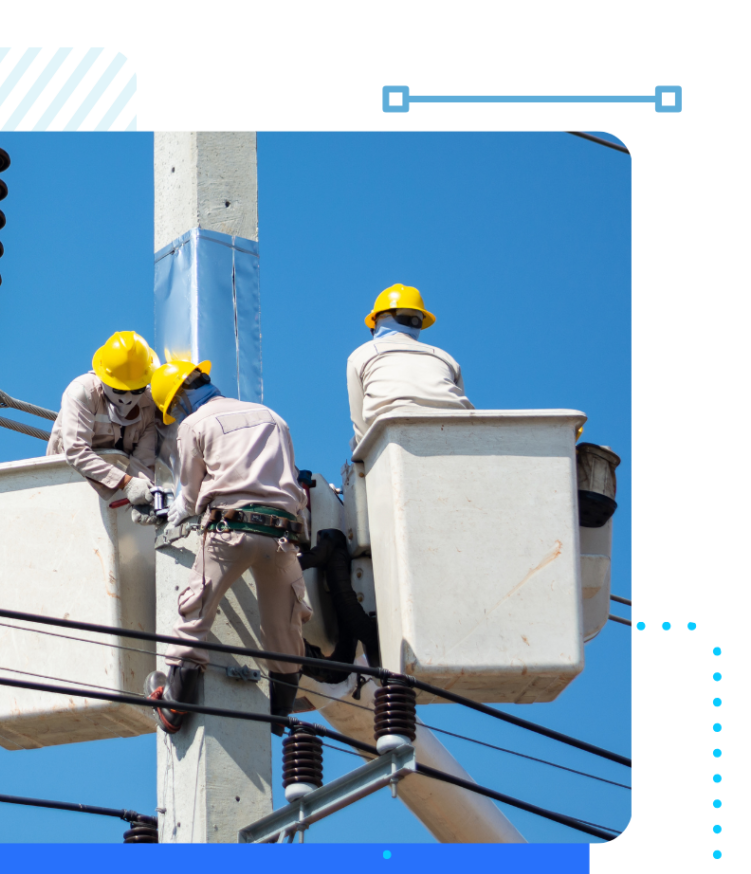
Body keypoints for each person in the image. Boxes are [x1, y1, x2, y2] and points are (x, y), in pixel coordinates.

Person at [142, 360, 312, 737]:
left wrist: (168, 521)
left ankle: (173, 709)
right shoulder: (272, 417)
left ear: (179, 401)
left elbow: (187, 497)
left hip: (228, 531)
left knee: (194, 615)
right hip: (281, 535)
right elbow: (294, 485)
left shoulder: (193, 425)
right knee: (285, 630)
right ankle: (279, 715)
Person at [347, 284, 473, 447]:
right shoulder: (443, 356)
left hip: (394, 435)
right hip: (458, 434)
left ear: (380, 319)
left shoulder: (363, 353)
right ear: (418, 322)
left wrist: (363, 462)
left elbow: (361, 426)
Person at [46, 332, 160, 514]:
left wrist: (142, 500)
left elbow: (143, 463)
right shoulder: (83, 393)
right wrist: (126, 483)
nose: (128, 398)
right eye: (119, 390)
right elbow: (76, 451)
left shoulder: (149, 407)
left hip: (117, 490)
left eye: (136, 389)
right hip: (66, 480)